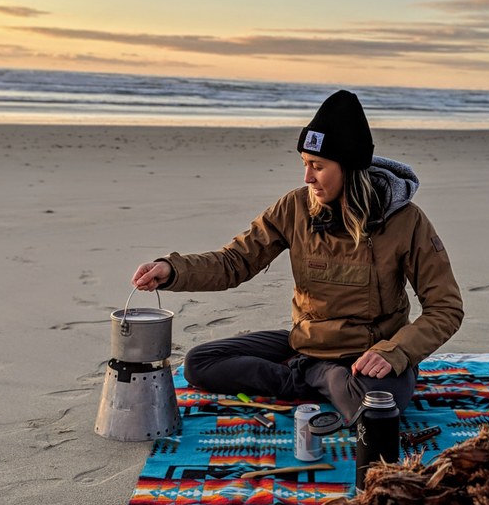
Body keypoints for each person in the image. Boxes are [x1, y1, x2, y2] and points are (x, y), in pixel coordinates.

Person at [131, 90, 464, 420]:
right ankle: (315, 377)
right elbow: (235, 262)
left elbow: (445, 308)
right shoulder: (294, 207)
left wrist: (396, 352)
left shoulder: (406, 220)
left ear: (348, 167)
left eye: (317, 166)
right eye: (305, 164)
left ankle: (316, 377)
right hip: (306, 345)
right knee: (200, 362)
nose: (307, 178)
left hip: (370, 355)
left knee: (374, 408)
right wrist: (171, 270)